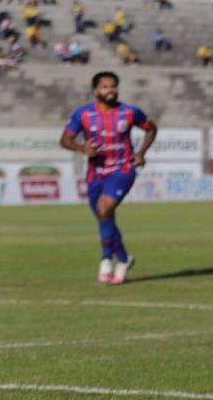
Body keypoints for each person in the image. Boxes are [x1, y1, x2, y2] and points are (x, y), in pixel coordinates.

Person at [60, 71, 158, 284]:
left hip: (122, 170)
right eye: (105, 87)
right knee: (105, 217)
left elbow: (151, 129)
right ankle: (123, 259)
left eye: (113, 86)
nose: (110, 90)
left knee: (105, 209)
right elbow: (65, 140)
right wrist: (81, 148)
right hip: (95, 174)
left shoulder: (130, 112)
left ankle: (106, 258)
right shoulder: (83, 114)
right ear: (95, 91)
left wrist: (140, 154)